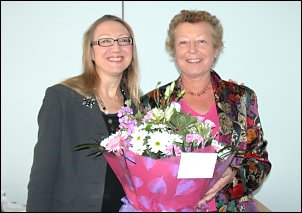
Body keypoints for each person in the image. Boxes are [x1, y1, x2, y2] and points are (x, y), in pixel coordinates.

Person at [141, 10, 271, 212]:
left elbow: (259, 162)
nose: (192, 50)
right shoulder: (152, 103)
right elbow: (142, 170)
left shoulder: (241, 98)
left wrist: (233, 177)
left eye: (201, 41)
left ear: (216, 49)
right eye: (183, 42)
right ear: (173, 50)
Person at [26, 14, 141, 212]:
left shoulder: (138, 105)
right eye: (105, 41)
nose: (116, 48)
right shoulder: (63, 98)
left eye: (124, 40)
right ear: (91, 52)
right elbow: (42, 176)